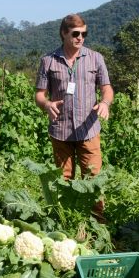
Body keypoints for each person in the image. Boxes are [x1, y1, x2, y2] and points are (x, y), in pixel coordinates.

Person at [35, 14, 114, 217]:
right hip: (60, 129)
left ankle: (97, 221)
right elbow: (39, 95)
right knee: (64, 179)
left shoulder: (95, 58)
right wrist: (46, 104)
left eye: (84, 33)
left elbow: (107, 88)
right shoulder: (48, 61)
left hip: (88, 129)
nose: (81, 38)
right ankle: (67, 219)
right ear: (64, 33)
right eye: (76, 33)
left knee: (92, 178)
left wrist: (105, 103)